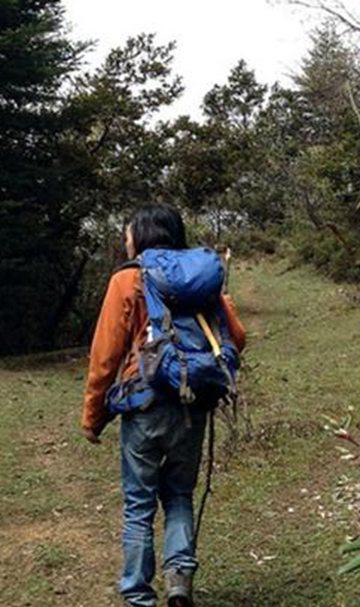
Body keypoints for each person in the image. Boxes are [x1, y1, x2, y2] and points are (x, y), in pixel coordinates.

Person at [81, 204, 246, 607]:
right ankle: (178, 583)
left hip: (144, 404)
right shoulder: (198, 276)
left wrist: (93, 415)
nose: (125, 240)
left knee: (139, 503)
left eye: (127, 233)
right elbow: (236, 337)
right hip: (192, 403)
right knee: (178, 496)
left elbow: (105, 355)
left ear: (140, 235)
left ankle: (138, 595)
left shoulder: (128, 280)